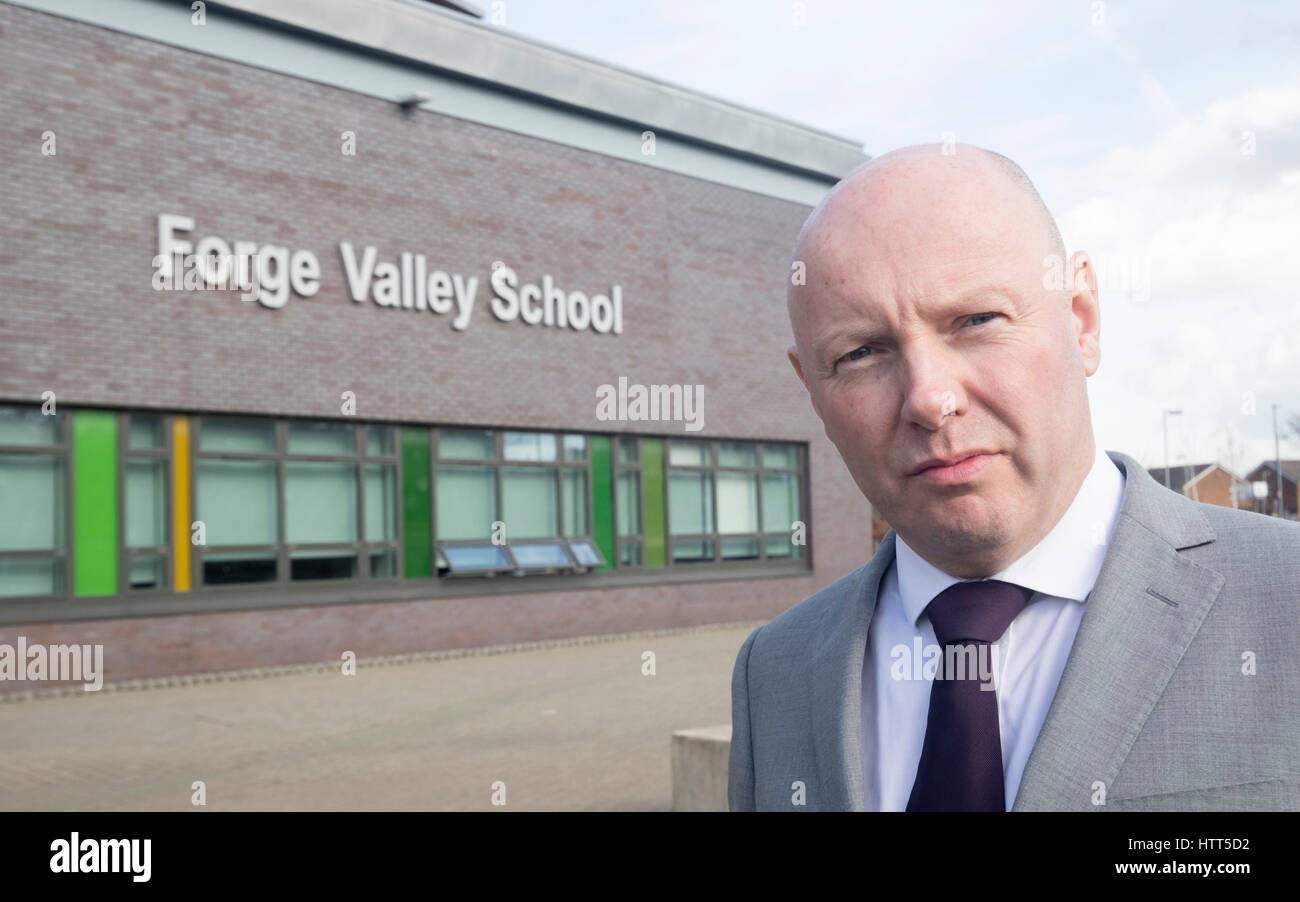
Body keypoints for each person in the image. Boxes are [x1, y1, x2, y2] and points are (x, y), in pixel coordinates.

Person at [728, 142, 1300, 811]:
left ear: (1081, 318)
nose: (929, 398)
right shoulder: (773, 671)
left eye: (976, 320)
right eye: (860, 353)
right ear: (812, 389)